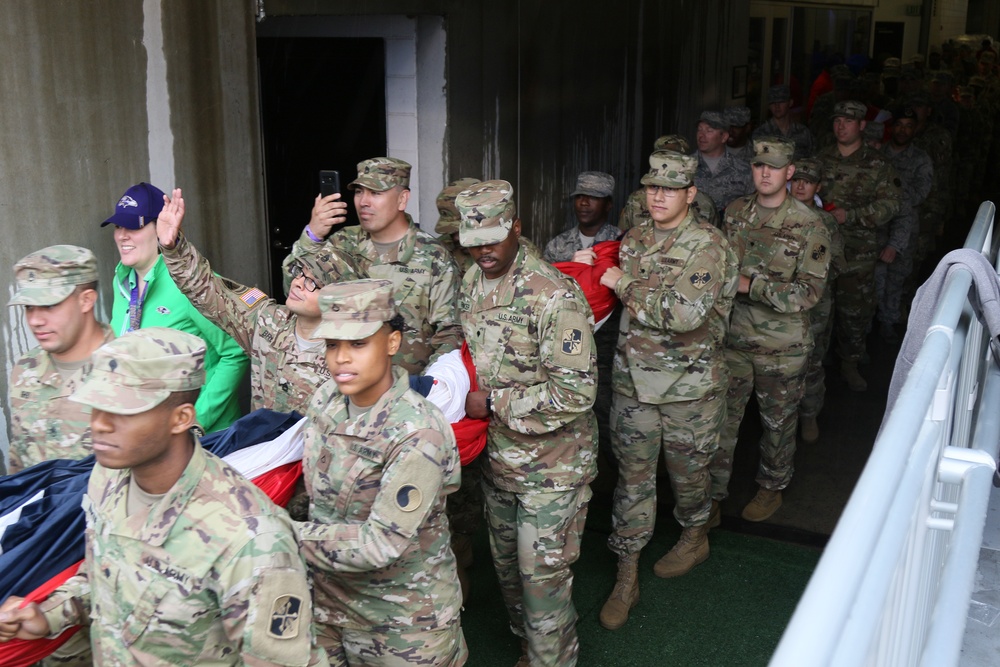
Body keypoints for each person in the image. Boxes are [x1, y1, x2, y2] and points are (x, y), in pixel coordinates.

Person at [0, 327, 327, 666]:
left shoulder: (250, 538)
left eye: (122, 410)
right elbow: (107, 571)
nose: (98, 424)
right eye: (97, 406)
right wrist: (52, 613)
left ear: (181, 418)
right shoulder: (108, 478)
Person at [456, 180, 597, 667]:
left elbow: (576, 391)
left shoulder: (554, 296)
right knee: (510, 577)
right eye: (472, 243)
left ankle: (551, 658)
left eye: (492, 239)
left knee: (543, 585)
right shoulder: (474, 280)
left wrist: (492, 402)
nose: (482, 251)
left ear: (516, 226)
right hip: (500, 464)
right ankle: (531, 648)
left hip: (552, 471)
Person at [596, 150, 738, 630]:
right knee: (632, 479)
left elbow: (684, 315)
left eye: (670, 188)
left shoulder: (709, 247)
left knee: (688, 475)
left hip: (689, 388)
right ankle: (627, 572)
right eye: (653, 186)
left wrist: (623, 283)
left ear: (690, 194)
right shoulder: (633, 239)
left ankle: (694, 534)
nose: (658, 195)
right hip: (635, 385)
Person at [293, 279, 466, 665]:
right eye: (332, 345)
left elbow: (380, 544)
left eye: (357, 344)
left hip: (403, 624)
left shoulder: (419, 431)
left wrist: (278, 534)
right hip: (328, 607)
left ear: (392, 342)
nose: (341, 358)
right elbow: (317, 496)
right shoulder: (326, 400)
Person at [156, 188, 362, 415]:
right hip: (260, 447)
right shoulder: (267, 321)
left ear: (337, 300)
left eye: (313, 282)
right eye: (299, 273)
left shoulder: (347, 356)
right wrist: (174, 248)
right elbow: (208, 290)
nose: (298, 283)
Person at [712, 137, 832, 522]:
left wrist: (752, 285)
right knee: (721, 421)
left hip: (782, 345)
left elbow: (809, 293)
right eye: (759, 166)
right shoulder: (733, 212)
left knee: (777, 424)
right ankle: (713, 494)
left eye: (774, 167)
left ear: (789, 172)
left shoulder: (809, 224)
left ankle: (771, 487)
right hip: (732, 340)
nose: (765, 173)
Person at [288, 157, 463, 374]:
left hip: (403, 390)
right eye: (359, 192)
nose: (363, 202)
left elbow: (450, 333)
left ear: (402, 199)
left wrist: (429, 385)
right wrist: (312, 236)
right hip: (341, 383)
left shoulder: (434, 258)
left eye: (375, 193)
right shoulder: (342, 242)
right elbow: (293, 290)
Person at [102, 182, 248, 433]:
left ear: (159, 228)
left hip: (204, 438)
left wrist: (198, 420)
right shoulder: (121, 281)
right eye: (118, 226)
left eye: (133, 226)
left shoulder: (190, 283)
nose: (122, 235)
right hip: (150, 434)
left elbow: (236, 353)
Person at [817, 100, 902, 392]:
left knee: (855, 311)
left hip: (859, 250)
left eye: (848, 121)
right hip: (822, 249)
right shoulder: (820, 158)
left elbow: (891, 205)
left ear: (862, 126)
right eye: (837, 120)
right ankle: (816, 364)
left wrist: (850, 215)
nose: (841, 126)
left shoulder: (877, 164)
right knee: (819, 308)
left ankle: (850, 363)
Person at [6, 246, 114, 474]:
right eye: (29, 307)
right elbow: (18, 462)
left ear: (86, 300)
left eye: (48, 305)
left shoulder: (131, 370)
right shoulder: (25, 370)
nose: (35, 320)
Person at [789, 158, 845, 444]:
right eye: (796, 180)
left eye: (807, 181)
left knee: (810, 362)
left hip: (814, 306)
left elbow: (836, 265)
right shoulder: (777, 214)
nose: (800, 186)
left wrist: (804, 275)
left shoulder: (825, 223)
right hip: (779, 305)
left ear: (817, 187)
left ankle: (809, 415)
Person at [876, 108, 933, 343]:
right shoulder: (878, 154)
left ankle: (888, 321)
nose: (903, 130)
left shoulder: (921, 159)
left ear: (915, 128)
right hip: (877, 226)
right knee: (874, 277)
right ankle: (867, 323)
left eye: (909, 125)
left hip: (906, 227)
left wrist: (893, 193)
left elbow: (921, 193)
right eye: (899, 124)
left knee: (897, 277)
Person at [619, 135, 719, 230]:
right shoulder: (636, 199)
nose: (658, 197)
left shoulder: (705, 203)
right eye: (663, 156)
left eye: (674, 157)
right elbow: (622, 236)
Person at [543, 171, 621, 263]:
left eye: (593, 197)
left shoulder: (622, 242)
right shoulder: (557, 245)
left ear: (608, 205)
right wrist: (572, 268)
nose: (583, 202)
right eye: (579, 196)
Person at [694, 111, 754, 217]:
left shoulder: (744, 170)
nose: (701, 135)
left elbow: (751, 209)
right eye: (699, 129)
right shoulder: (684, 167)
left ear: (724, 137)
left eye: (709, 131)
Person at [753, 84, 816, 160]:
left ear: (790, 103)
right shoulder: (760, 134)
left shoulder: (803, 132)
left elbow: (813, 160)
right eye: (773, 103)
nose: (777, 106)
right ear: (769, 106)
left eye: (781, 101)